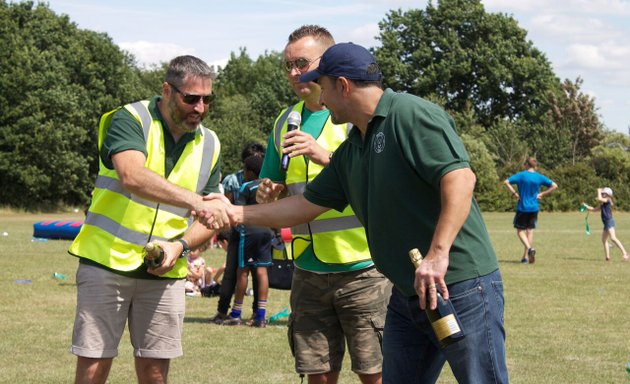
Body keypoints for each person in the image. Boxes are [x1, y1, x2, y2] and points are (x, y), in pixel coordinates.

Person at [199, 42, 509, 384]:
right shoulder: (353, 148)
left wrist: (437, 256)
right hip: (407, 292)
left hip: (460, 284)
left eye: (323, 86)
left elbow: (461, 179)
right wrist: (235, 213)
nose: (320, 97)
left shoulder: (409, 114)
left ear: (343, 86)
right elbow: (303, 206)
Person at [67, 55, 229, 384]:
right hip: (106, 262)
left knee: (156, 373)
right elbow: (132, 175)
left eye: (207, 99)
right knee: (94, 366)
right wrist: (195, 200)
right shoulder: (130, 119)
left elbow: (208, 216)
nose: (200, 107)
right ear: (167, 90)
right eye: (191, 98)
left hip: (166, 271)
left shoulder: (210, 143)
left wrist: (180, 247)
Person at [248, 26, 390, 384]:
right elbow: (273, 186)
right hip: (308, 269)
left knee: (375, 373)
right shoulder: (284, 121)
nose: (294, 73)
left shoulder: (355, 113)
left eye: (301, 63)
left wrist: (324, 155)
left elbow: (381, 178)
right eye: (287, 65)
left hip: (364, 267)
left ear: (325, 64)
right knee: (317, 375)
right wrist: (266, 193)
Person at [210, 142, 266, 324]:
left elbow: (234, 208)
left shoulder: (247, 186)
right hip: (254, 232)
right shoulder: (237, 180)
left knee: (244, 271)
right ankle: (228, 311)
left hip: (246, 232)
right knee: (245, 272)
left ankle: (241, 313)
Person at [223, 155, 274, 327]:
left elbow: (240, 211)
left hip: (250, 233)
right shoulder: (268, 187)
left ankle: (236, 314)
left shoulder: (246, 186)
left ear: (250, 172)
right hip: (267, 231)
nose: (243, 173)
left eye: (244, 170)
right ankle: (260, 316)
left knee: (242, 271)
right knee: (262, 272)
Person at [503, 157, 558, 264]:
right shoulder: (539, 177)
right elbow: (554, 186)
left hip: (523, 207)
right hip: (534, 208)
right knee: (530, 231)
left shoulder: (521, 175)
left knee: (520, 231)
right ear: (534, 166)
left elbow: (506, 182)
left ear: (526, 165)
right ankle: (525, 258)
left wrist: (514, 194)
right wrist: (542, 194)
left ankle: (529, 249)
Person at [581, 187, 628, 261]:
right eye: (602, 193)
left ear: (608, 194)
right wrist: (586, 206)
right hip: (606, 222)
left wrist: (599, 191)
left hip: (609, 221)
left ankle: (625, 253)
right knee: (604, 239)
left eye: (603, 193)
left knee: (613, 238)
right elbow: (594, 209)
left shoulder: (608, 200)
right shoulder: (603, 203)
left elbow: (599, 198)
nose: (602, 194)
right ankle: (607, 257)